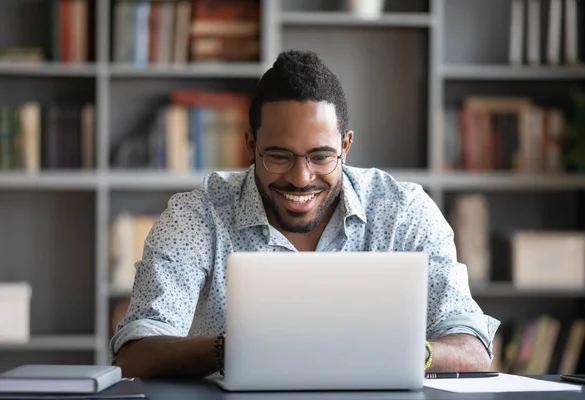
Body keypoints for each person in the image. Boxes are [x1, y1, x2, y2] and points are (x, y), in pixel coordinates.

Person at [110, 49, 500, 379]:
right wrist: (229, 350)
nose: (300, 178)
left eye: (321, 156)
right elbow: (134, 352)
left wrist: (417, 353)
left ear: (345, 146)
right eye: (278, 155)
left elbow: (473, 348)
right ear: (251, 144)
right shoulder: (198, 216)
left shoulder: (403, 211)